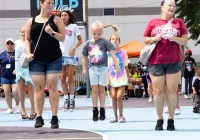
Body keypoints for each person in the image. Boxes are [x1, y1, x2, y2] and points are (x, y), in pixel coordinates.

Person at [144, 0, 188, 131]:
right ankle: (159, 119)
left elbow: (185, 40)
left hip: (174, 61)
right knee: (158, 92)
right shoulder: (153, 22)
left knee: (171, 91)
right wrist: (154, 38)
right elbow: (145, 39)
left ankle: (171, 119)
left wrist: (175, 39)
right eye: (169, 5)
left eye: (174, 6)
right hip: (156, 62)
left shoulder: (178, 22)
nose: (172, 7)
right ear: (162, 7)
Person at [25, 0, 65, 129]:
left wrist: (52, 33)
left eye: (52, 3)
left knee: (53, 87)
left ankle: (54, 117)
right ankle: (39, 117)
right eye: (48, 2)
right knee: (39, 88)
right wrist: (28, 53)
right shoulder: (31, 21)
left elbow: (63, 38)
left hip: (54, 58)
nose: (50, 5)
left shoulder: (56, 19)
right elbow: (27, 39)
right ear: (41, 4)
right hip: (36, 60)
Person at [82, 21, 120, 122]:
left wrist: (116, 65)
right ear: (91, 32)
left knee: (101, 89)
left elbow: (112, 53)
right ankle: (95, 109)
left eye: (99, 34)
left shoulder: (104, 42)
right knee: (94, 89)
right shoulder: (88, 43)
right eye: (94, 34)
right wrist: (84, 68)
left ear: (101, 33)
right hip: (92, 68)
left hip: (103, 68)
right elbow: (84, 56)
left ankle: (102, 108)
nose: (96, 36)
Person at [59, 9, 82, 112]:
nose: (63, 17)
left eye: (65, 15)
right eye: (62, 15)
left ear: (69, 16)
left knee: (70, 77)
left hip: (70, 55)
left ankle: (72, 100)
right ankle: (65, 99)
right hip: (60, 55)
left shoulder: (74, 27)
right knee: (62, 78)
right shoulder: (58, 27)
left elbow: (80, 40)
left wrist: (74, 48)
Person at [107, 33, 130, 123]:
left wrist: (128, 77)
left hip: (122, 78)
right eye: (113, 39)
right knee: (113, 96)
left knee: (119, 96)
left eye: (116, 39)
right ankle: (114, 115)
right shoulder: (108, 53)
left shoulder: (123, 52)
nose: (115, 40)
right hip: (112, 78)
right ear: (110, 41)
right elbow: (107, 67)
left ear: (119, 41)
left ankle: (121, 115)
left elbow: (126, 66)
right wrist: (107, 79)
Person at [15, 26, 36, 119]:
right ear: (20, 33)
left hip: (29, 65)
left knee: (31, 87)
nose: (24, 33)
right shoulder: (17, 42)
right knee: (21, 88)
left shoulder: (31, 42)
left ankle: (33, 109)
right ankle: (22, 109)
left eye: (25, 32)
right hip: (19, 66)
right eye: (22, 32)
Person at [0, 38, 20, 114]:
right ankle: (10, 108)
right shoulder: (2, 54)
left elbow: (21, 63)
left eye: (11, 43)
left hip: (15, 75)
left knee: (15, 91)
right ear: (6, 45)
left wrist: (18, 70)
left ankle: (17, 105)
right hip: (5, 75)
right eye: (8, 43)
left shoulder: (17, 53)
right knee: (7, 91)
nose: (10, 45)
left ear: (13, 45)